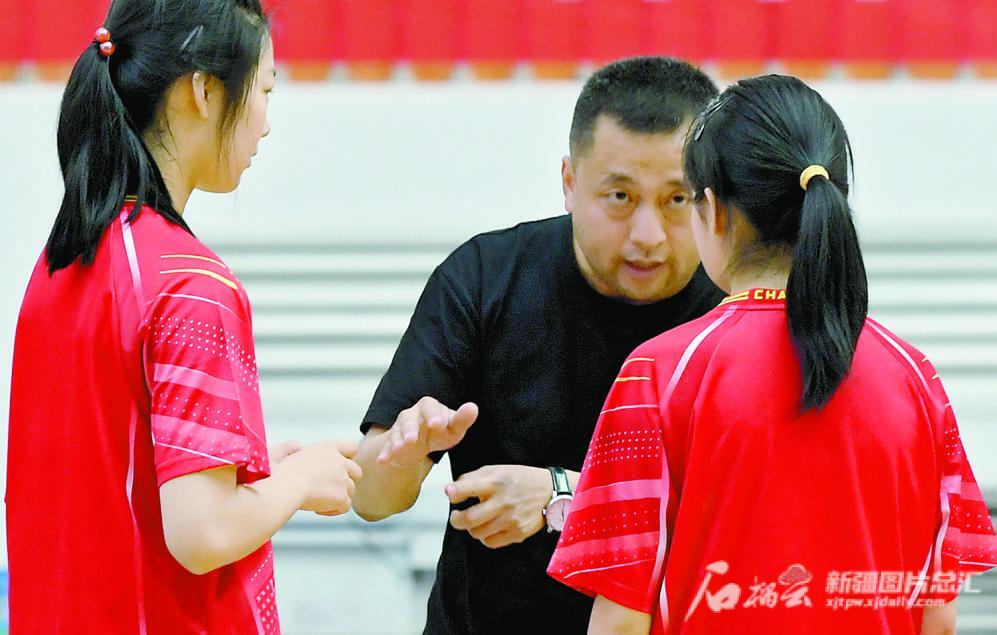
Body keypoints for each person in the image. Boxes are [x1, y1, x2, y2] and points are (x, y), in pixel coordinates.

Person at [547, 74, 997, 635]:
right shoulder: (914, 378)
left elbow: (620, 621)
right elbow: (938, 617)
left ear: (713, 210)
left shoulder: (658, 375)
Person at [7, 1, 361, 632]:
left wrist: (261, 473)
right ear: (203, 90)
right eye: (265, 91)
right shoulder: (191, 284)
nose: (266, 125)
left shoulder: (60, 266)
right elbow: (203, 532)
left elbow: (118, 482)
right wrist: (300, 483)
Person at [350, 57, 726, 633]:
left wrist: (560, 496)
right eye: (620, 197)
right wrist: (400, 456)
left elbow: (738, 511)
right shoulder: (484, 278)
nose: (648, 235)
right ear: (570, 182)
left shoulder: (735, 310)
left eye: (677, 200)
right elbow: (371, 499)